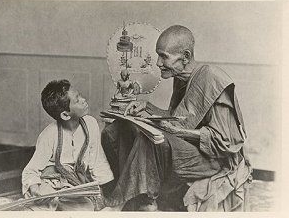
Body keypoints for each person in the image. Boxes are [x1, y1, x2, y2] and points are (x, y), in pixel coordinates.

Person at [101, 25, 252, 211]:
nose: (157, 63)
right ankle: (135, 195)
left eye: (164, 56)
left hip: (214, 160)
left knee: (148, 141)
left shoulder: (211, 79)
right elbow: (178, 118)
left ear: (186, 57)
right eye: (158, 55)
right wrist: (147, 107)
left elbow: (226, 142)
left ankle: (128, 201)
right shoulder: (181, 78)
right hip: (191, 149)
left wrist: (179, 132)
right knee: (118, 129)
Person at [22, 79, 114, 211]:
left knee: (87, 206)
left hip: (75, 185)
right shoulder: (49, 134)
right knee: (45, 203)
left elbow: (97, 159)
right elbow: (31, 170)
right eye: (77, 100)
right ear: (65, 115)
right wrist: (36, 189)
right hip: (52, 182)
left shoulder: (91, 124)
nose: (83, 99)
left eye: (80, 95)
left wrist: (104, 189)